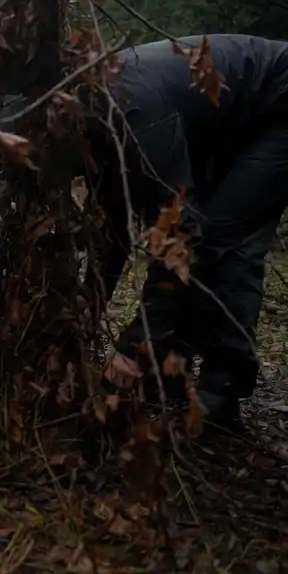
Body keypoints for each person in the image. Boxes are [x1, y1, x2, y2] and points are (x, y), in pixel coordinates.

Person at [76, 34, 288, 427]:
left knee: (225, 237)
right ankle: (172, 367)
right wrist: (84, 317)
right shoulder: (91, 124)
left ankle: (222, 391)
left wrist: (135, 344)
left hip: (278, 104)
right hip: (228, 121)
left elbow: (183, 235)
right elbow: (113, 233)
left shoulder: (130, 114)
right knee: (211, 228)